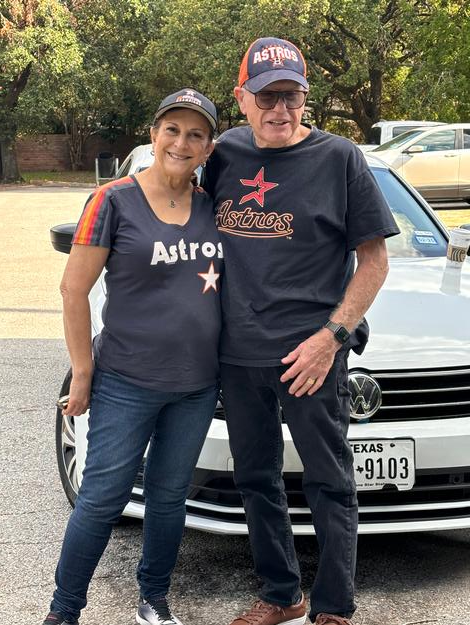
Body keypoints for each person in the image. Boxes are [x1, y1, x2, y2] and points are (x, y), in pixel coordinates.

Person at [203, 37, 400, 625]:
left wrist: (331, 338)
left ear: (305, 98)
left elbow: (374, 261)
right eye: (266, 97)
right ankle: (281, 594)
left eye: (291, 96)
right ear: (242, 98)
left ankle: (334, 606)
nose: (280, 110)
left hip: (312, 354)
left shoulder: (340, 159)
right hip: (238, 353)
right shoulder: (224, 154)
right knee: (255, 478)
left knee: (329, 481)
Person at [43, 89, 222, 625]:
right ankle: (63, 612)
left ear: (209, 148)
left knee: (168, 499)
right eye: (172, 130)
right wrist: (82, 372)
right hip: (125, 382)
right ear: (153, 134)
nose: (181, 143)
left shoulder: (214, 207)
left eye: (195, 134)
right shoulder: (112, 201)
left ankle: (154, 601)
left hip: (196, 386)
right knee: (102, 498)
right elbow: (73, 290)